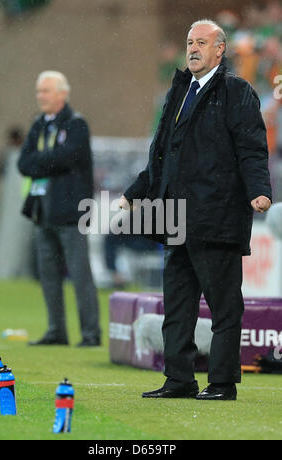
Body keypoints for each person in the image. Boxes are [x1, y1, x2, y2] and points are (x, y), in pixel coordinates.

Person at [120, 20, 272, 401]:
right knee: (178, 303)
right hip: (174, 216)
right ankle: (179, 379)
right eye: (189, 42)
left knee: (223, 305)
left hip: (216, 215)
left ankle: (221, 383)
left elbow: (251, 148)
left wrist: (259, 190)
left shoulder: (237, 92)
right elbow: (160, 155)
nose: (193, 48)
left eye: (201, 42)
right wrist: (135, 193)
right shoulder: (178, 93)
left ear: (220, 50)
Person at [18, 71, 101, 347]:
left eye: (46, 91)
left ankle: (91, 333)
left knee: (80, 275)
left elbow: (68, 157)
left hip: (71, 212)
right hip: (43, 211)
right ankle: (57, 331)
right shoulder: (38, 124)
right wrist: (47, 161)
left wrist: (41, 161)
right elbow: (23, 163)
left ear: (62, 94)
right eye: (39, 91)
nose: (41, 96)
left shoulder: (76, 124)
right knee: (48, 276)